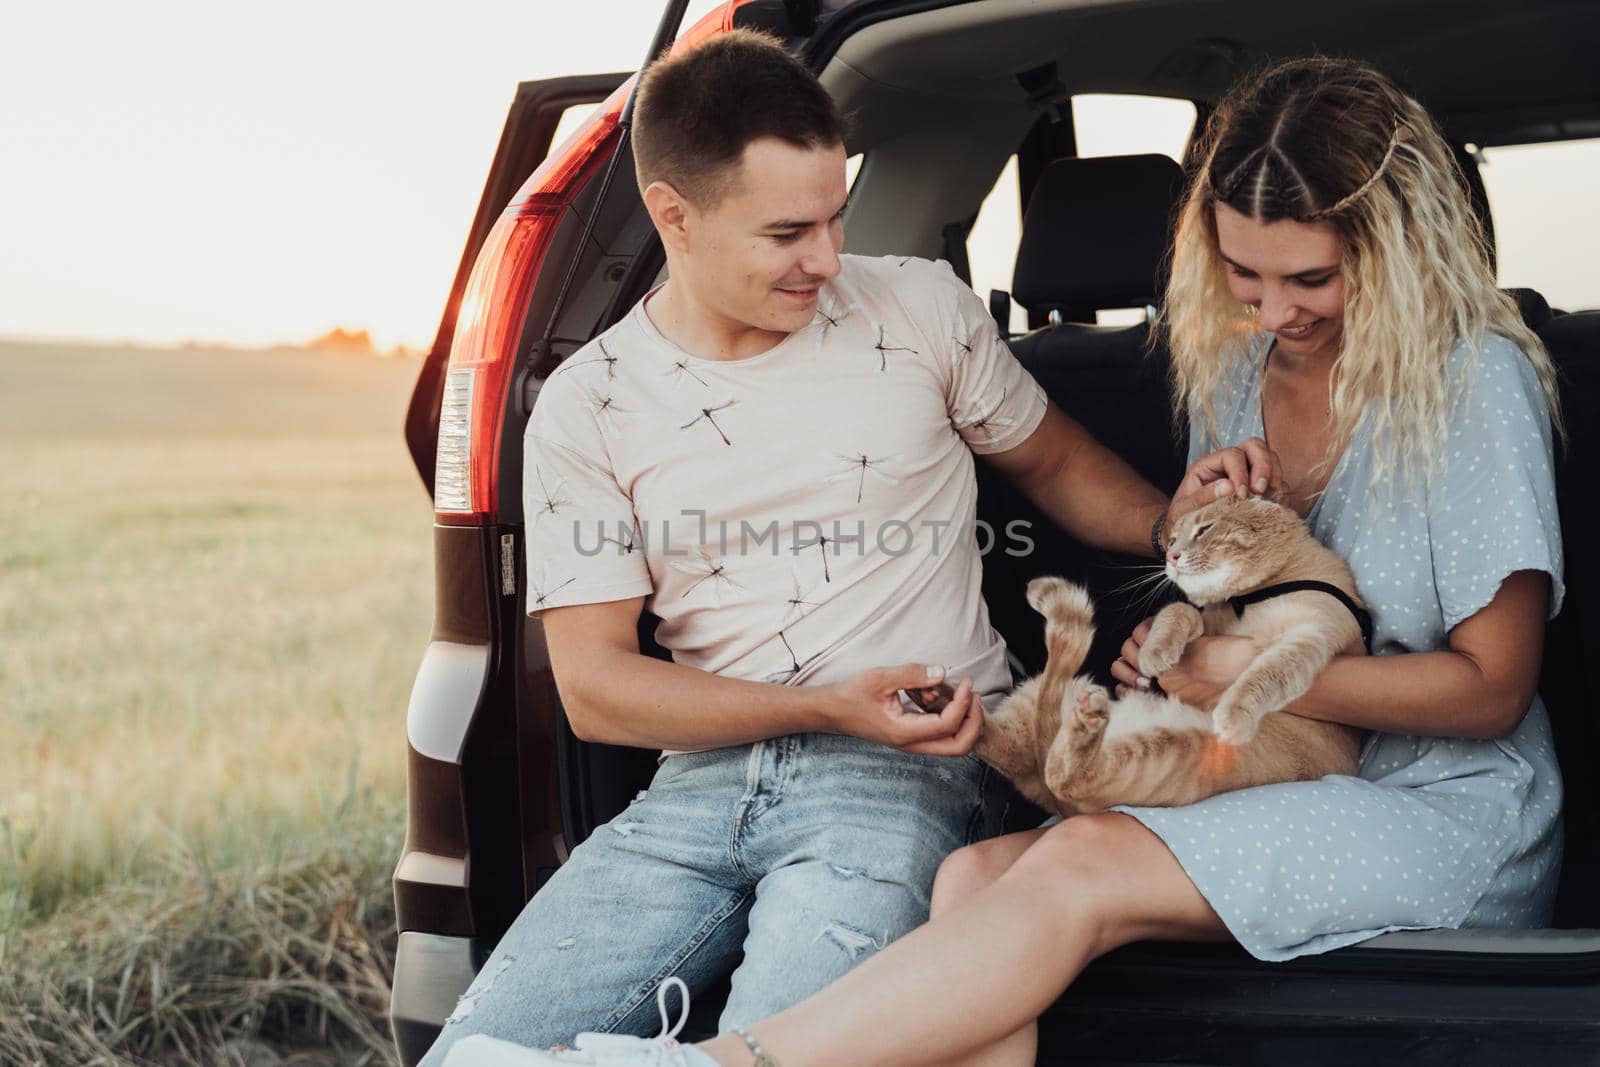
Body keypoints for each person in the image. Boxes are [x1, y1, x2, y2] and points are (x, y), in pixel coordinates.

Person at [452, 54, 1567, 1067]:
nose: (1274, 311)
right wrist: (1175, 639)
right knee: (974, 875)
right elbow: (1241, 608)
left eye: (1310, 281)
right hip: (1263, 763)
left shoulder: (1471, 382)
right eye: (1242, 273)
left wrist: (1225, 670)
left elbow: (1493, 689)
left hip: (1433, 799)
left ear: (1390, 251)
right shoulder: (1237, 370)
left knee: (1072, 866)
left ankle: (719, 1066)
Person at [419, 29, 1266, 1066]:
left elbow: (1053, 465)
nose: (825, 257)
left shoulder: (915, 307)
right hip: (688, 796)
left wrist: (1175, 532)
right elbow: (596, 688)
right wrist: (819, 702)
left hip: (908, 773)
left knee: (781, 1051)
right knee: (473, 1053)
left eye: (834, 216)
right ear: (672, 215)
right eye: (787, 231)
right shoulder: (588, 402)